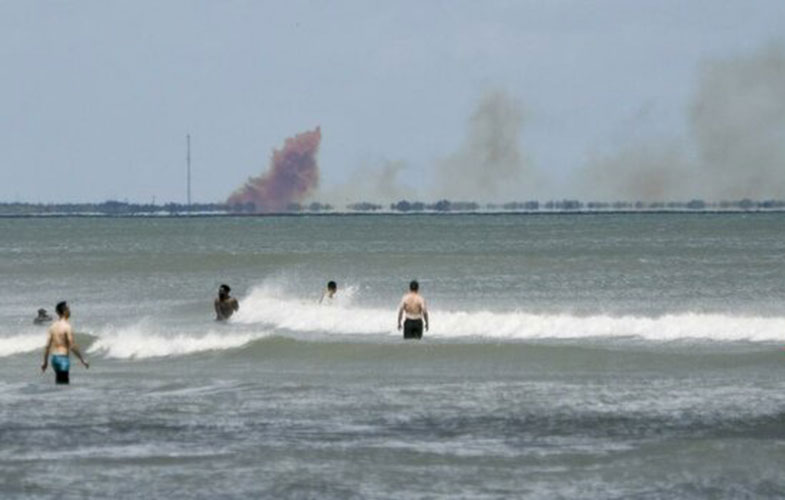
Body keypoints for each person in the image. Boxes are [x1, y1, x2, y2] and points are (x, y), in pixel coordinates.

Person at [41, 301, 89, 384]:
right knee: (64, 384)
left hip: (54, 359)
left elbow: (47, 346)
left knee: (59, 382)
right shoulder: (67, 326)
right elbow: (72, 345)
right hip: (63, 359)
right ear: (65, 311)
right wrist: (82, 359)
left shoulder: (52, 327)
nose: (70, 311)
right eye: (68, 309)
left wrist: (45, 362)